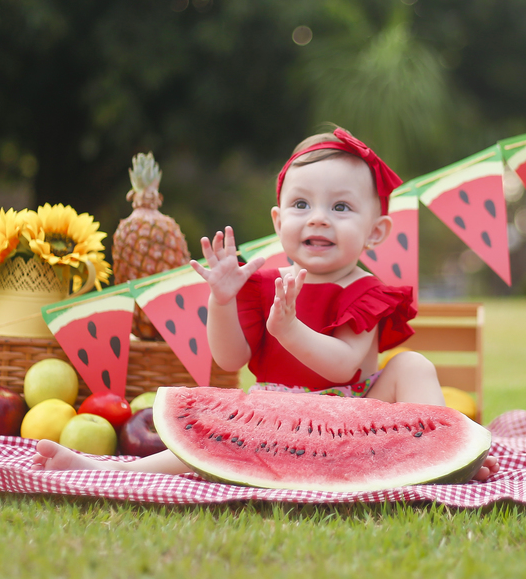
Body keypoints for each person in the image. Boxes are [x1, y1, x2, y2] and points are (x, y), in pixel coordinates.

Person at [32, 128, 498, 481]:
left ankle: (454, 454)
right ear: (278, 221)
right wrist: (222, 299)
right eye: (301, 205)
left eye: (341, 208)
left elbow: (343, 367)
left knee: (413, 366)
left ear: (376, 232)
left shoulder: (364, 292)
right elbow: (229, 358)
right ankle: (109, 472)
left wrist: (289, 329)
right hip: (273, 418)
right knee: (206, 437)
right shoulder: (260, 283)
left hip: (358, 419)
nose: (318, 217)